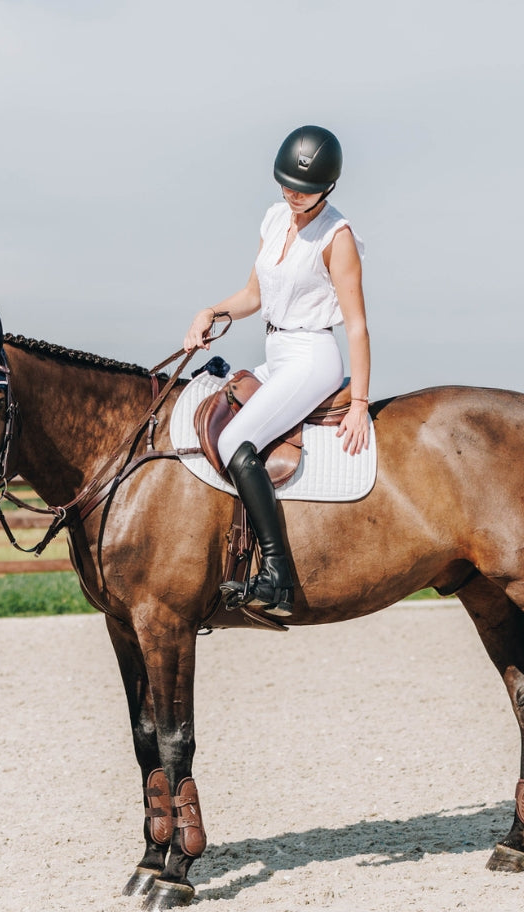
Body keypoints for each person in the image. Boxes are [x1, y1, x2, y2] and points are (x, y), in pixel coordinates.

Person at [183, 125, 371, 618]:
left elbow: (356, 327)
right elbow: (253, 295)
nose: (293, 193)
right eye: (287, 184)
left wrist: (359, 404)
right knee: (206, 409)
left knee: (232, 442)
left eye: (304, 189)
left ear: (328, 188)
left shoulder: (337, 236)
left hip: (313, 356)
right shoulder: (273, 218)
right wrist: (212, 312)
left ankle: (276, 574)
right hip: (278, 351)